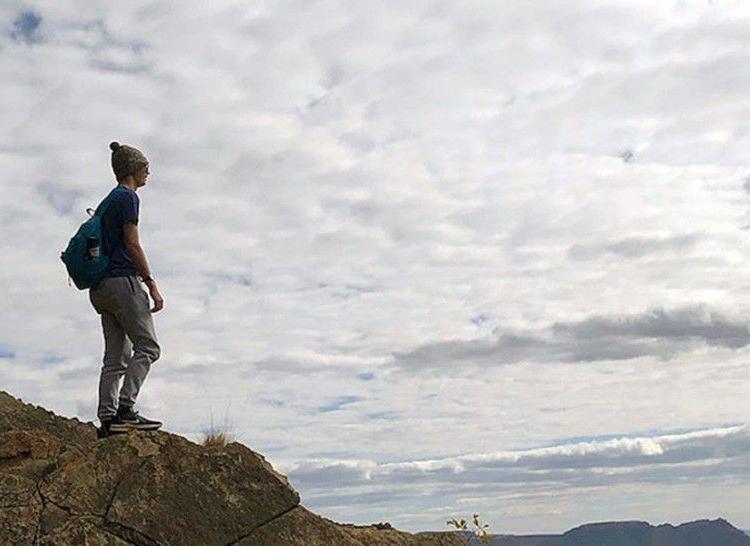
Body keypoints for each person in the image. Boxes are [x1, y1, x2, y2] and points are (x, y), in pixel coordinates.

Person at [89, 141, 165, 438]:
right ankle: (126, 409)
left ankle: (108, 420)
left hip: (100, 287)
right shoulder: (128, 198)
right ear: (134, 169)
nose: (149, 172)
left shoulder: (107, 201)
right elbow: (132, 243)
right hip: (123, 281)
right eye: (145, 167)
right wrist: (151, 283)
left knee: (116, 357)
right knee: (148, 347)